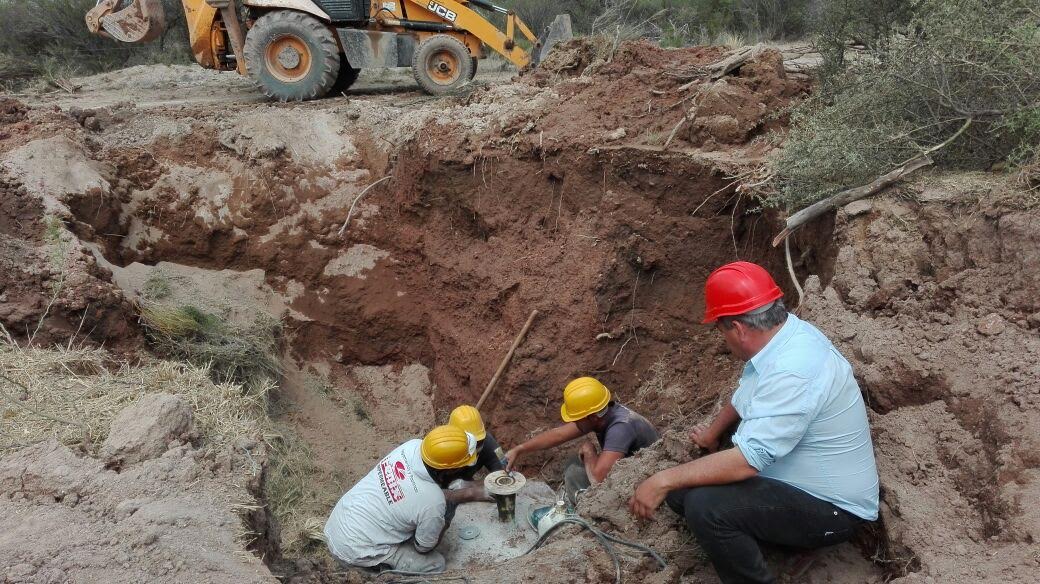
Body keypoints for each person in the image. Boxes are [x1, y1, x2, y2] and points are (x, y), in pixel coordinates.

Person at [628, 261, 880, 584]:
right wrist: (711, 435)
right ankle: (773, 540)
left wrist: (661, 479)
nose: (723, 340)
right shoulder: (782, 337)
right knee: (685, 493)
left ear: (738, 329)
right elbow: (745, 398)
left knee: (707, 507)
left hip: (833, 509)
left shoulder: (794, 369)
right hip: (793, 482)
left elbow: (748, 461)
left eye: (721, 331)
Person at [324, 425, 478, 574]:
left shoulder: (411, 446)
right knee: (435, 564)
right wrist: (447, 514)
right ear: (452, 469)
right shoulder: (433, 502)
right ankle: (376, 573)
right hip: (354, 552)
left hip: (337, 523)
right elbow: (423, 548)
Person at [506, 376, 658, 504]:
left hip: (646, 489)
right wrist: (519, 449)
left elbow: (598, 479)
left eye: (577, 419)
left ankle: (586, 512)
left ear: (591, 417)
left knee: (575, 473)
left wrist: (589, 452)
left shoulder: (620, 428)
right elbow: (558, 435)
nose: (575, 423)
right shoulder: (601, 416)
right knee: (574, 462)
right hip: (630, 472)